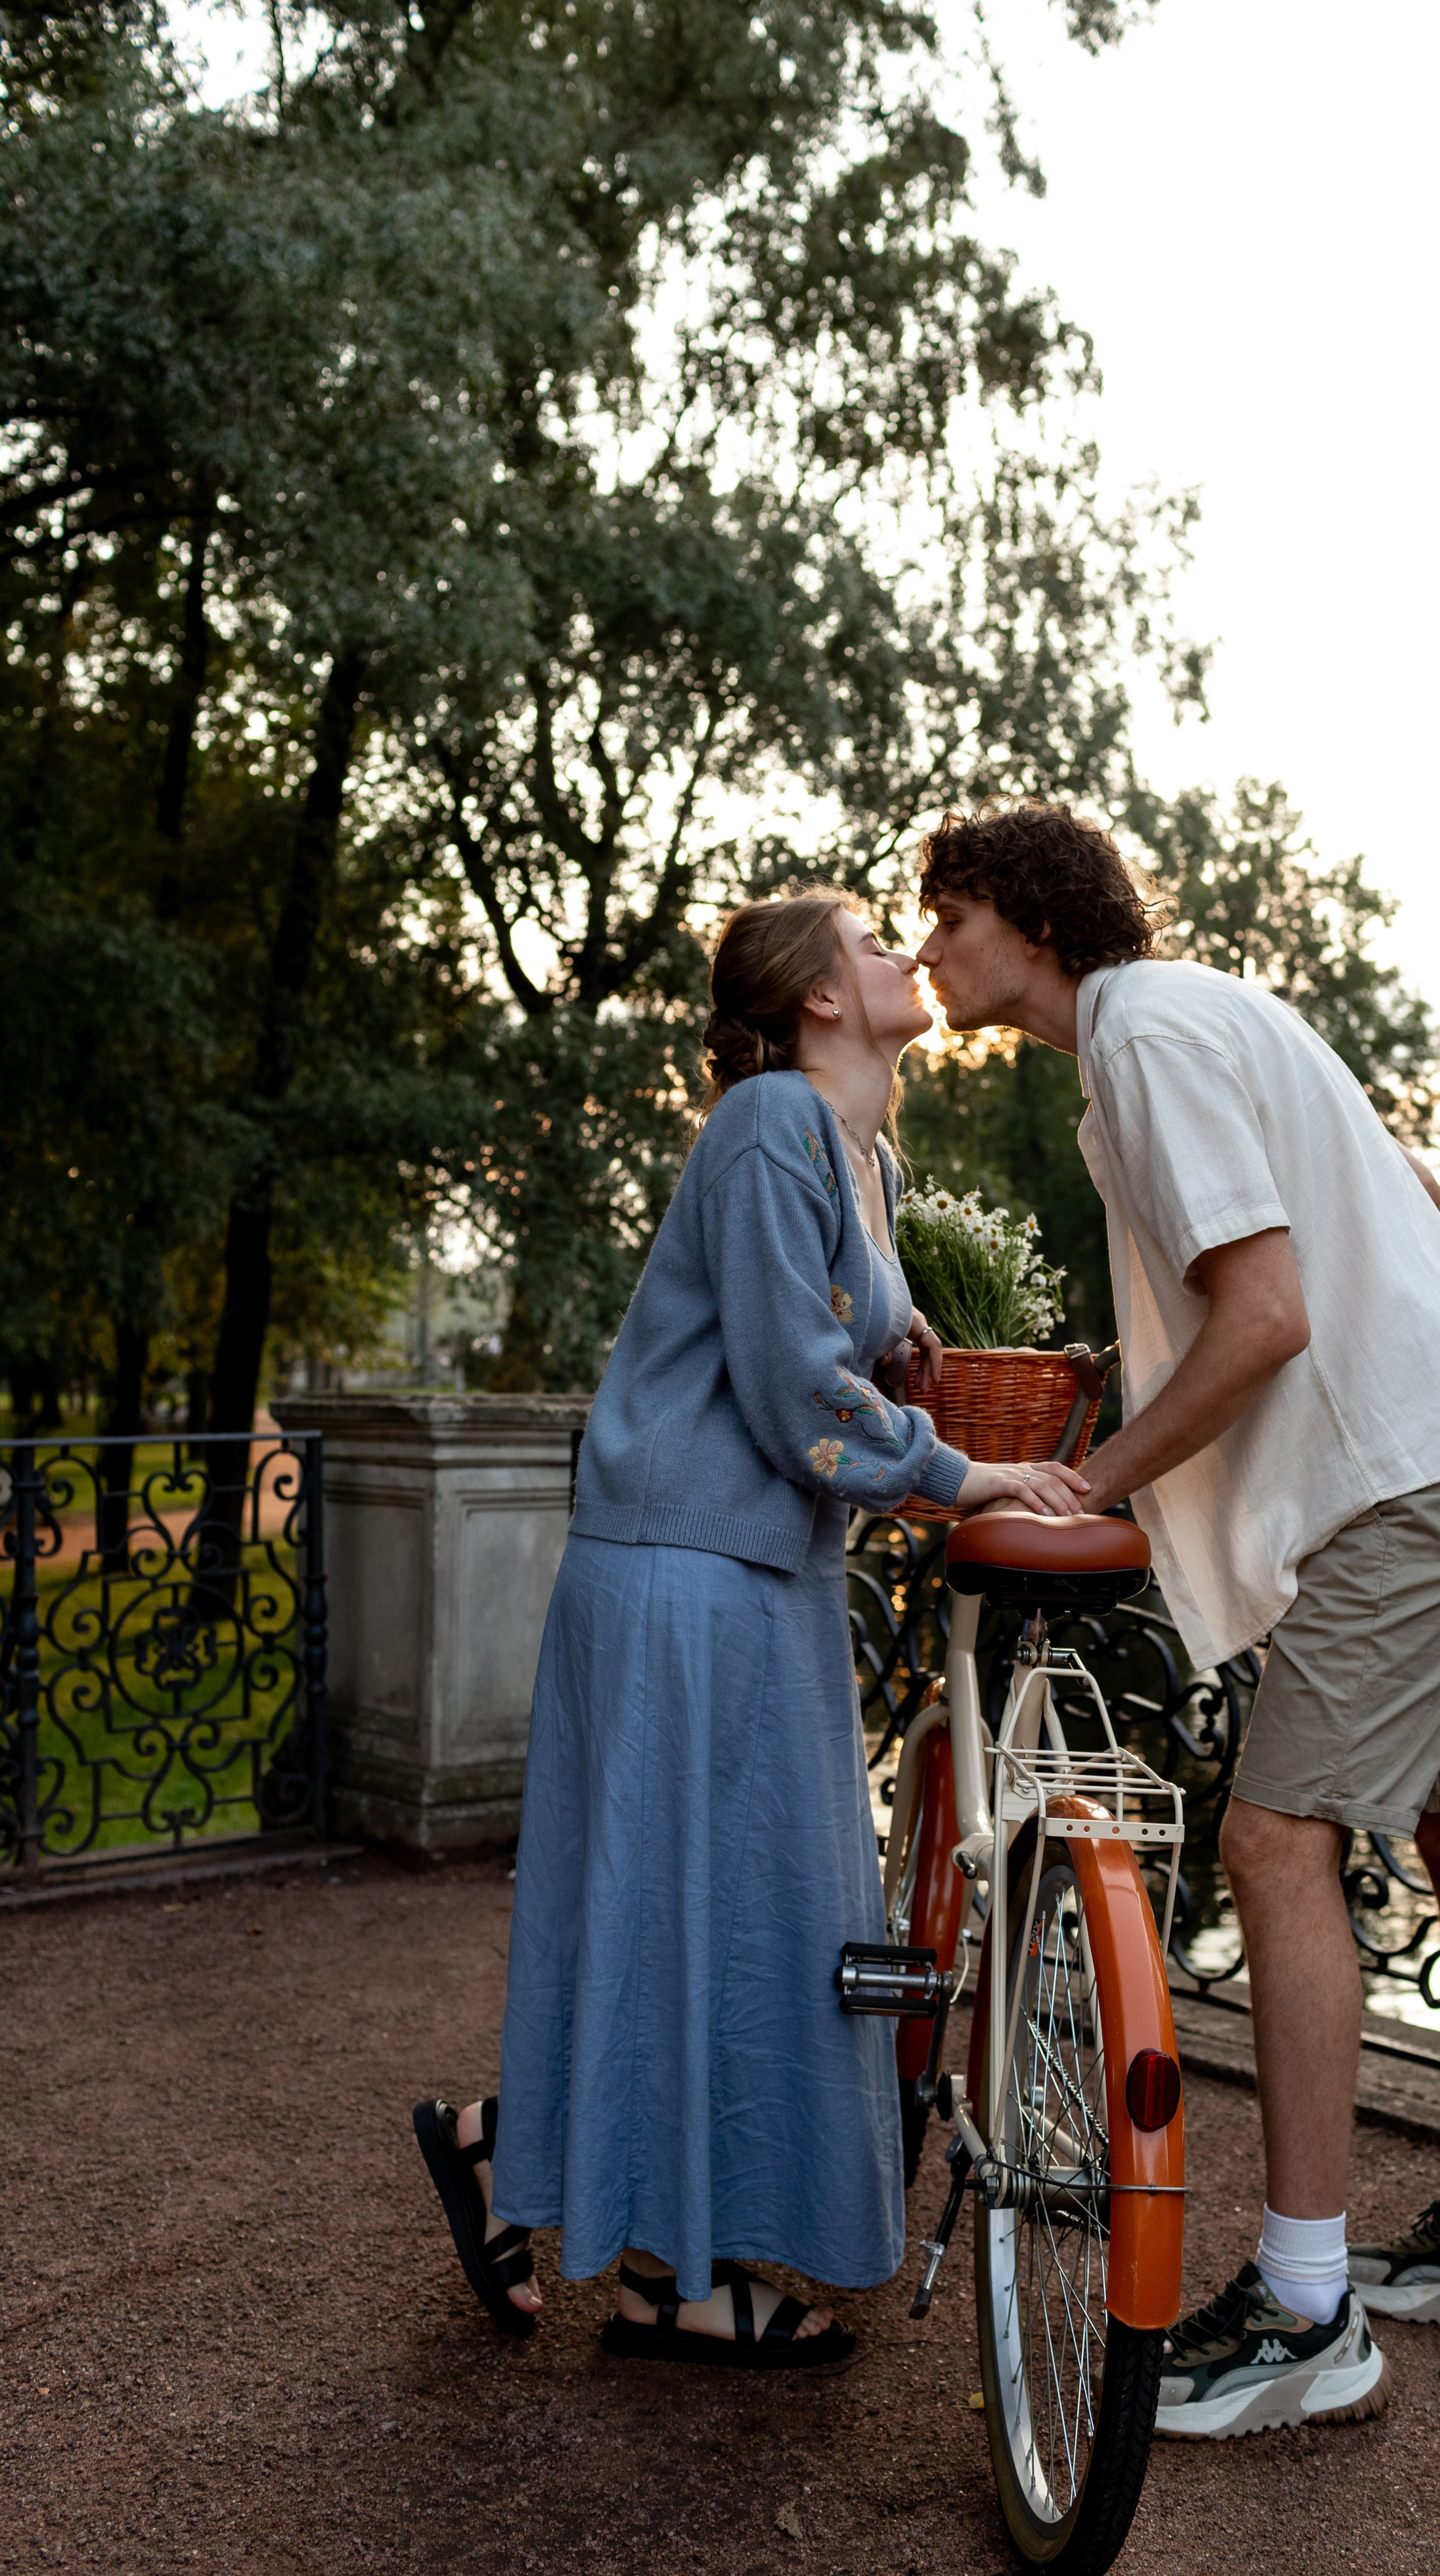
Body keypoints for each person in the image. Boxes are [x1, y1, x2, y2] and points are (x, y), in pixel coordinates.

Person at [914, 800, 1440, 2440]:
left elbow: (1273, 1316)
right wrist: (1118, 1370)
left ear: (1023, 917)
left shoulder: (1142, 1039)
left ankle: (1304, 2310)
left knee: (1273, 1843)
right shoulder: (1177, 1021)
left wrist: (1094, 1478)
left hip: (1391, 1476)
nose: (929, 948)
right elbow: (1258, 1275)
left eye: (943, 915)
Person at [413, 890, 1088, 2368]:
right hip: (680, 1568)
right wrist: (959, 1468)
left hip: (754, 1568)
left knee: (731, 1915)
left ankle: (515, 2155)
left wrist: (907, 1354)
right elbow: (792, 1390)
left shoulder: (864, 1152)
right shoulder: (767, 1119)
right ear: (814, 1000)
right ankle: (675, 2278)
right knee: (696, 1911)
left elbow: (829, 1340)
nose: (899, 952)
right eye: (865, 940)